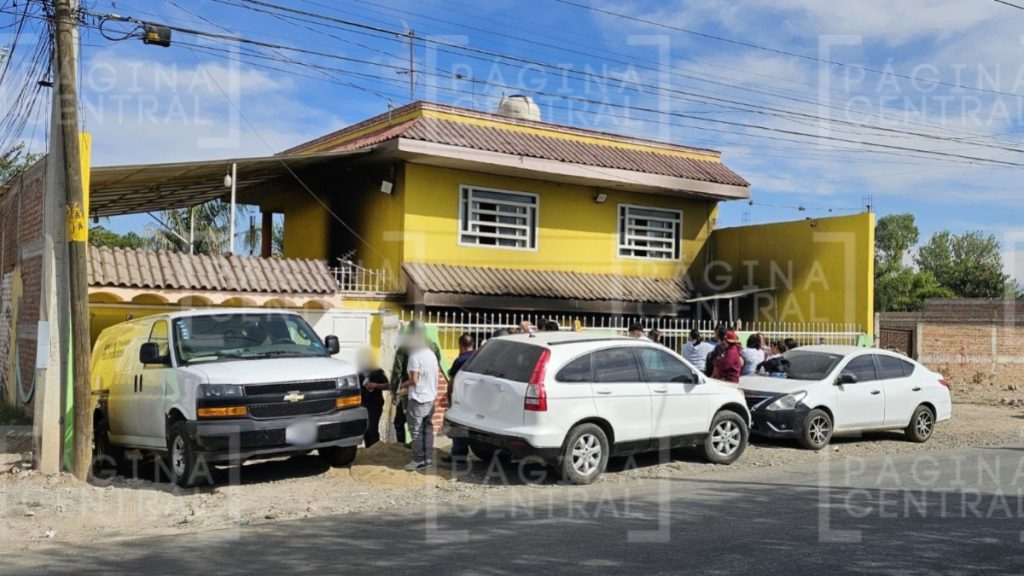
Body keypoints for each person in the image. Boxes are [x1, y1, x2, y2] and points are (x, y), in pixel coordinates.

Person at [402, 332, 440, 471]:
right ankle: (428, 458)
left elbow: (414, 380)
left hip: (418, 398)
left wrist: (403, 386)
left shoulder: (414, 357)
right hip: (430, 398)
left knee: (416, 431)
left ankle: (418, 460)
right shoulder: (431, 354)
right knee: (428, 429)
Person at [441, 333, 476, 464]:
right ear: (472, 344)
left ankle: (458, 454)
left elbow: (452, 382)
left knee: (457, 425)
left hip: (461, 398)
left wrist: (449, 398)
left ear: (460, 345)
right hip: (477, 399)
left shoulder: (460, 360)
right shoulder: (479, 356)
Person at [355, 348, 389, 448]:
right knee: (365, 429)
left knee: (372, 428)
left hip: (375, 403)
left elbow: (388, 385)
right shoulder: (357, 372)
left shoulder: (378, 372)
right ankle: (368, 448)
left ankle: (375, 449)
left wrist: (375, 385)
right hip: (362, 403)